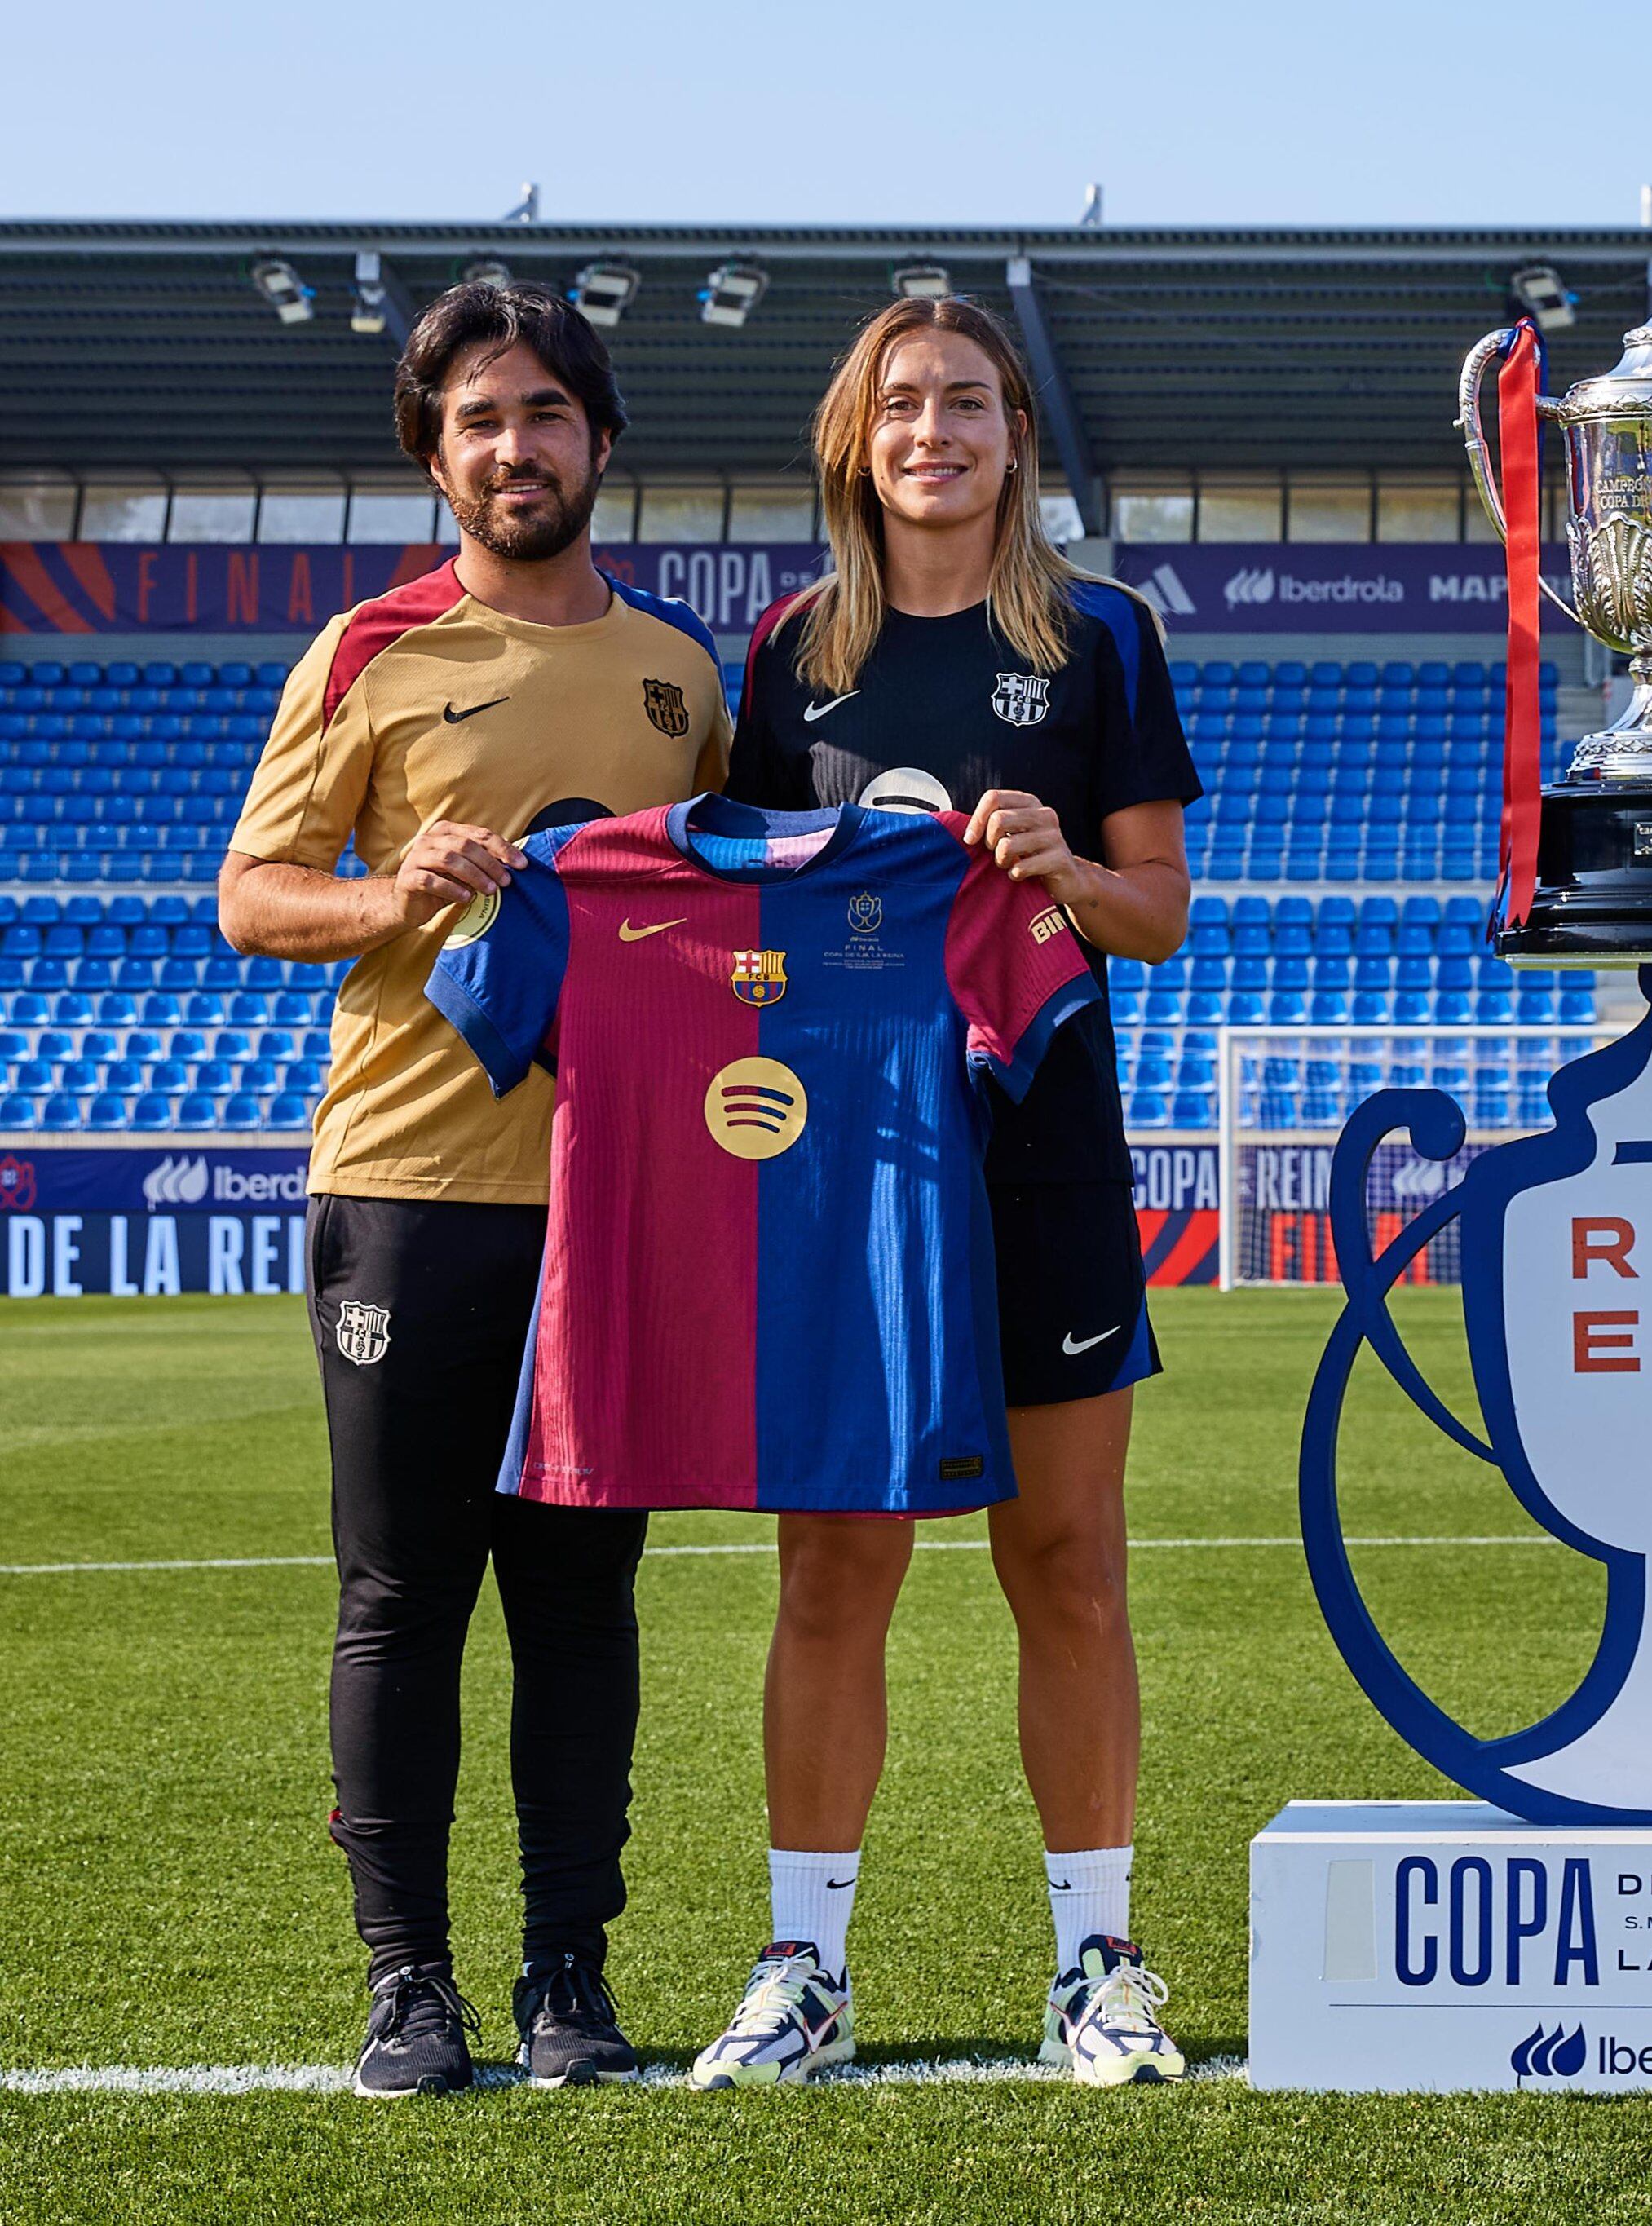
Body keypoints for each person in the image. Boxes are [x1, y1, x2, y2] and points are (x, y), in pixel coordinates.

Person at [218, 282, 731, 2095]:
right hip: (411, 1187)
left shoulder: (685, 676)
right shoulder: (366, 651)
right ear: (435, 457)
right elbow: (254, 894)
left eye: (544, 413)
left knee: (583, 1604)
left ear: (600, 437)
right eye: (479, 421)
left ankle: (567, 1976)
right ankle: (408, 1983)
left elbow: (730, 914)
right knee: (401, 1598)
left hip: (618, 1206)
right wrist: (399, 894)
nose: (515, 448)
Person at [691, 294, 1199, 2089]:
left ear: (1014, 436)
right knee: (834, 1566)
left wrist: (1061, 871)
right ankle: (805, 1970)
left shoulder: (1101, 636)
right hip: (849, 1176)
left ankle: (1096, 1967)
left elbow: (1158, 911)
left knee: (1065, 1561)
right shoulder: (788, 652)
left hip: (1044, 1155)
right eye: (902, 402)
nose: (935, 431)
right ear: (858, 437)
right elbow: (742, 917)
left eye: (968, 401)